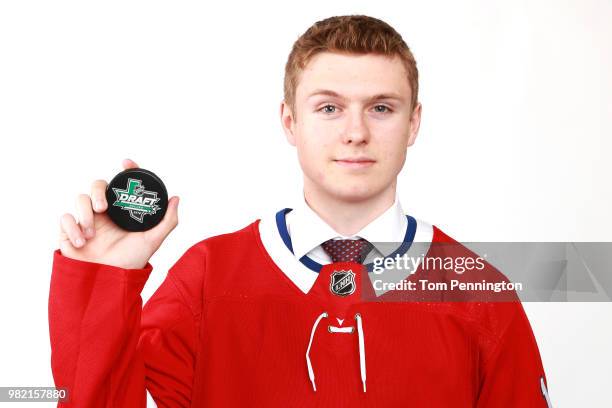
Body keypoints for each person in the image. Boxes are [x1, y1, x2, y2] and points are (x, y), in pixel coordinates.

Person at [49, 15, 552, 407]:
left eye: (381, 107)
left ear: (413, 123)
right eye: (329, 107)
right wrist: (102, 282)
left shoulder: (479, 295)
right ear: (290, 121)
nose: (355, 132)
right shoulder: (206, 279)